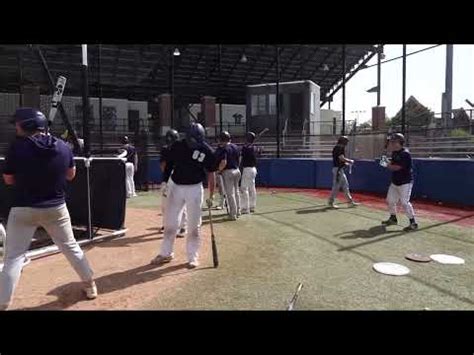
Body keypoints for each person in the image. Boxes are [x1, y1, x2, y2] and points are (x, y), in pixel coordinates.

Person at [0, 108, 97, 310]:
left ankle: (3, 302)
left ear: (26, 125)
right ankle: (90, 285)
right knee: (70, 247)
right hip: (56, 208)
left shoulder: (17, 148)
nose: (15, 127)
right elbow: (71, 175)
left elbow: (8, 180)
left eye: (18, 124)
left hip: (23, 209)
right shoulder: (62, 147)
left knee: (13, 257)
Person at [150, 123, 216, 269]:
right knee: (170, 223)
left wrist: (211, 194)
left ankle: (193, 257)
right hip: (176, 186)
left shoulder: (206, 150)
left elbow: (211, 173)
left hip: (194, 188)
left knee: (194, 225)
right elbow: (168, 166)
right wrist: (166, 183)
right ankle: (166, 253)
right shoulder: (177, 146)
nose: (193, 143)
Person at [381, 133, 418, 231]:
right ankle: (393, 218)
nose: (392, 144)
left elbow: (396, 167)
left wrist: (385, 164)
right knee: (390, 200)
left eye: (394, 142)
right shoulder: (394, 153)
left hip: (405, 182)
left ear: (400, 142)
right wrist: (386, 161)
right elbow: (392, 163)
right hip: (395, 182)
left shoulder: (405, 154)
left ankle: (413, 222)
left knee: (404, 203)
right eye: (392, 142)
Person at [159, 129, 187, 238]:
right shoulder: (181, 149)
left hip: (172, 179)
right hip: (175, 179)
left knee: (170, 204)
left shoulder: (166, 149)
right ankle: (179, 227)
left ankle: (174, 226)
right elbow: (163, 165)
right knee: (176, 203)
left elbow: (163, 166)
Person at [328, 136, 360, 208]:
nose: (347, 143)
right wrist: (349, 161)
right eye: (346, 141)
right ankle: (331, 202)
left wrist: (346, 163)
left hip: (339, 169)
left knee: (345, 186)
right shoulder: (339, 148)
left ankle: (350, 202)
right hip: (338, 170)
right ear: (343, 142)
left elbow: (339, 159)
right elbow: (341, 158)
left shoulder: (337, 147)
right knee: (336, 187)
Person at [216, 131, 241, 220]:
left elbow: (224, 162)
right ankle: (238, 210)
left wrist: (219, 170)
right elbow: (239, 158)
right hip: (237, 170)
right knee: (236, 191)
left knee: (230, 194)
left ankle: (233, 214)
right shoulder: (235, 147)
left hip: (228, 172)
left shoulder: (224, 148)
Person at [240, 131, 260, 214]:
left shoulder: (246, 148)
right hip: (254, 170)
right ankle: (252, 206)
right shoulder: (255, 148)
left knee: (244, 188)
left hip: (247, 169)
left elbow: (243, 154)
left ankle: (245, 208)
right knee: (252, 188)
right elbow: (258, 151)